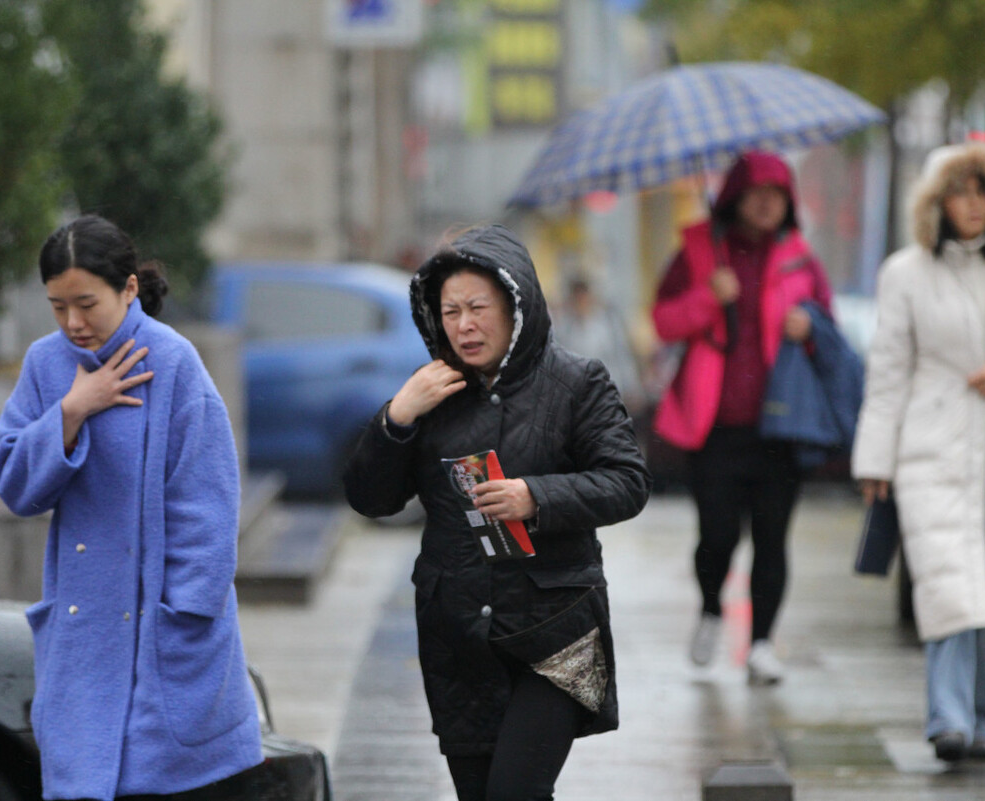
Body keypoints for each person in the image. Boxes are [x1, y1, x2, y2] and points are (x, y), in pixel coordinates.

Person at [344, 224, 651, 801]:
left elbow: (628, 482)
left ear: (516, 305)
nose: (464, 324)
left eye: (478, 307)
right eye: (451, 310)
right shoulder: (431, 390)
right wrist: (397, 419)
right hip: (458, 636)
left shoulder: (578, 382)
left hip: (555, 632)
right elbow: (370, 499)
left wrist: (535, 495)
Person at [0, 215, 263, 800]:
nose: (73, 323)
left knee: (161, 782)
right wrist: (70, 411)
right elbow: (14, 484)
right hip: (84, 632)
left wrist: (184, 616)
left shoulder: (174, 361)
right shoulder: (46, 364)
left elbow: (209, 507)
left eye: (86, 303)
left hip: (162, 637)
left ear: (129, 288)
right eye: (58, 307)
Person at [852, 141, 985, 763]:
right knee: (948, 581)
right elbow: (888, 373)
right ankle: (949, 719)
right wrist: (875, 463)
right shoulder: (905, 272)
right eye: (959, 192)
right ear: (937, 202)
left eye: (982, 191)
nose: (972, 205)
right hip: (932, 446)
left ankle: (981, 717)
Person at [651, 151, 834, 685]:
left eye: (778, 194)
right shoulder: (699, 251)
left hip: (782, 427)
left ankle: (759, 643)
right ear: (734, 196)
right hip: (714, 428)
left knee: (773, 539)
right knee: (718, 536)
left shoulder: (802, 259)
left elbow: (831, 333)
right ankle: (711, 607)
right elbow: (663, 321)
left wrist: (811, 328)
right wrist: (708, 298)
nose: (767, 203)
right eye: (757, 193)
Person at [551, 277, 645, 419]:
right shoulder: (565, 330)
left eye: (583, 297)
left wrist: (631, 387)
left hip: (608, 392)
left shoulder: (607, 325)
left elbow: (621, 355)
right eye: (577, 299)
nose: (581, 303)